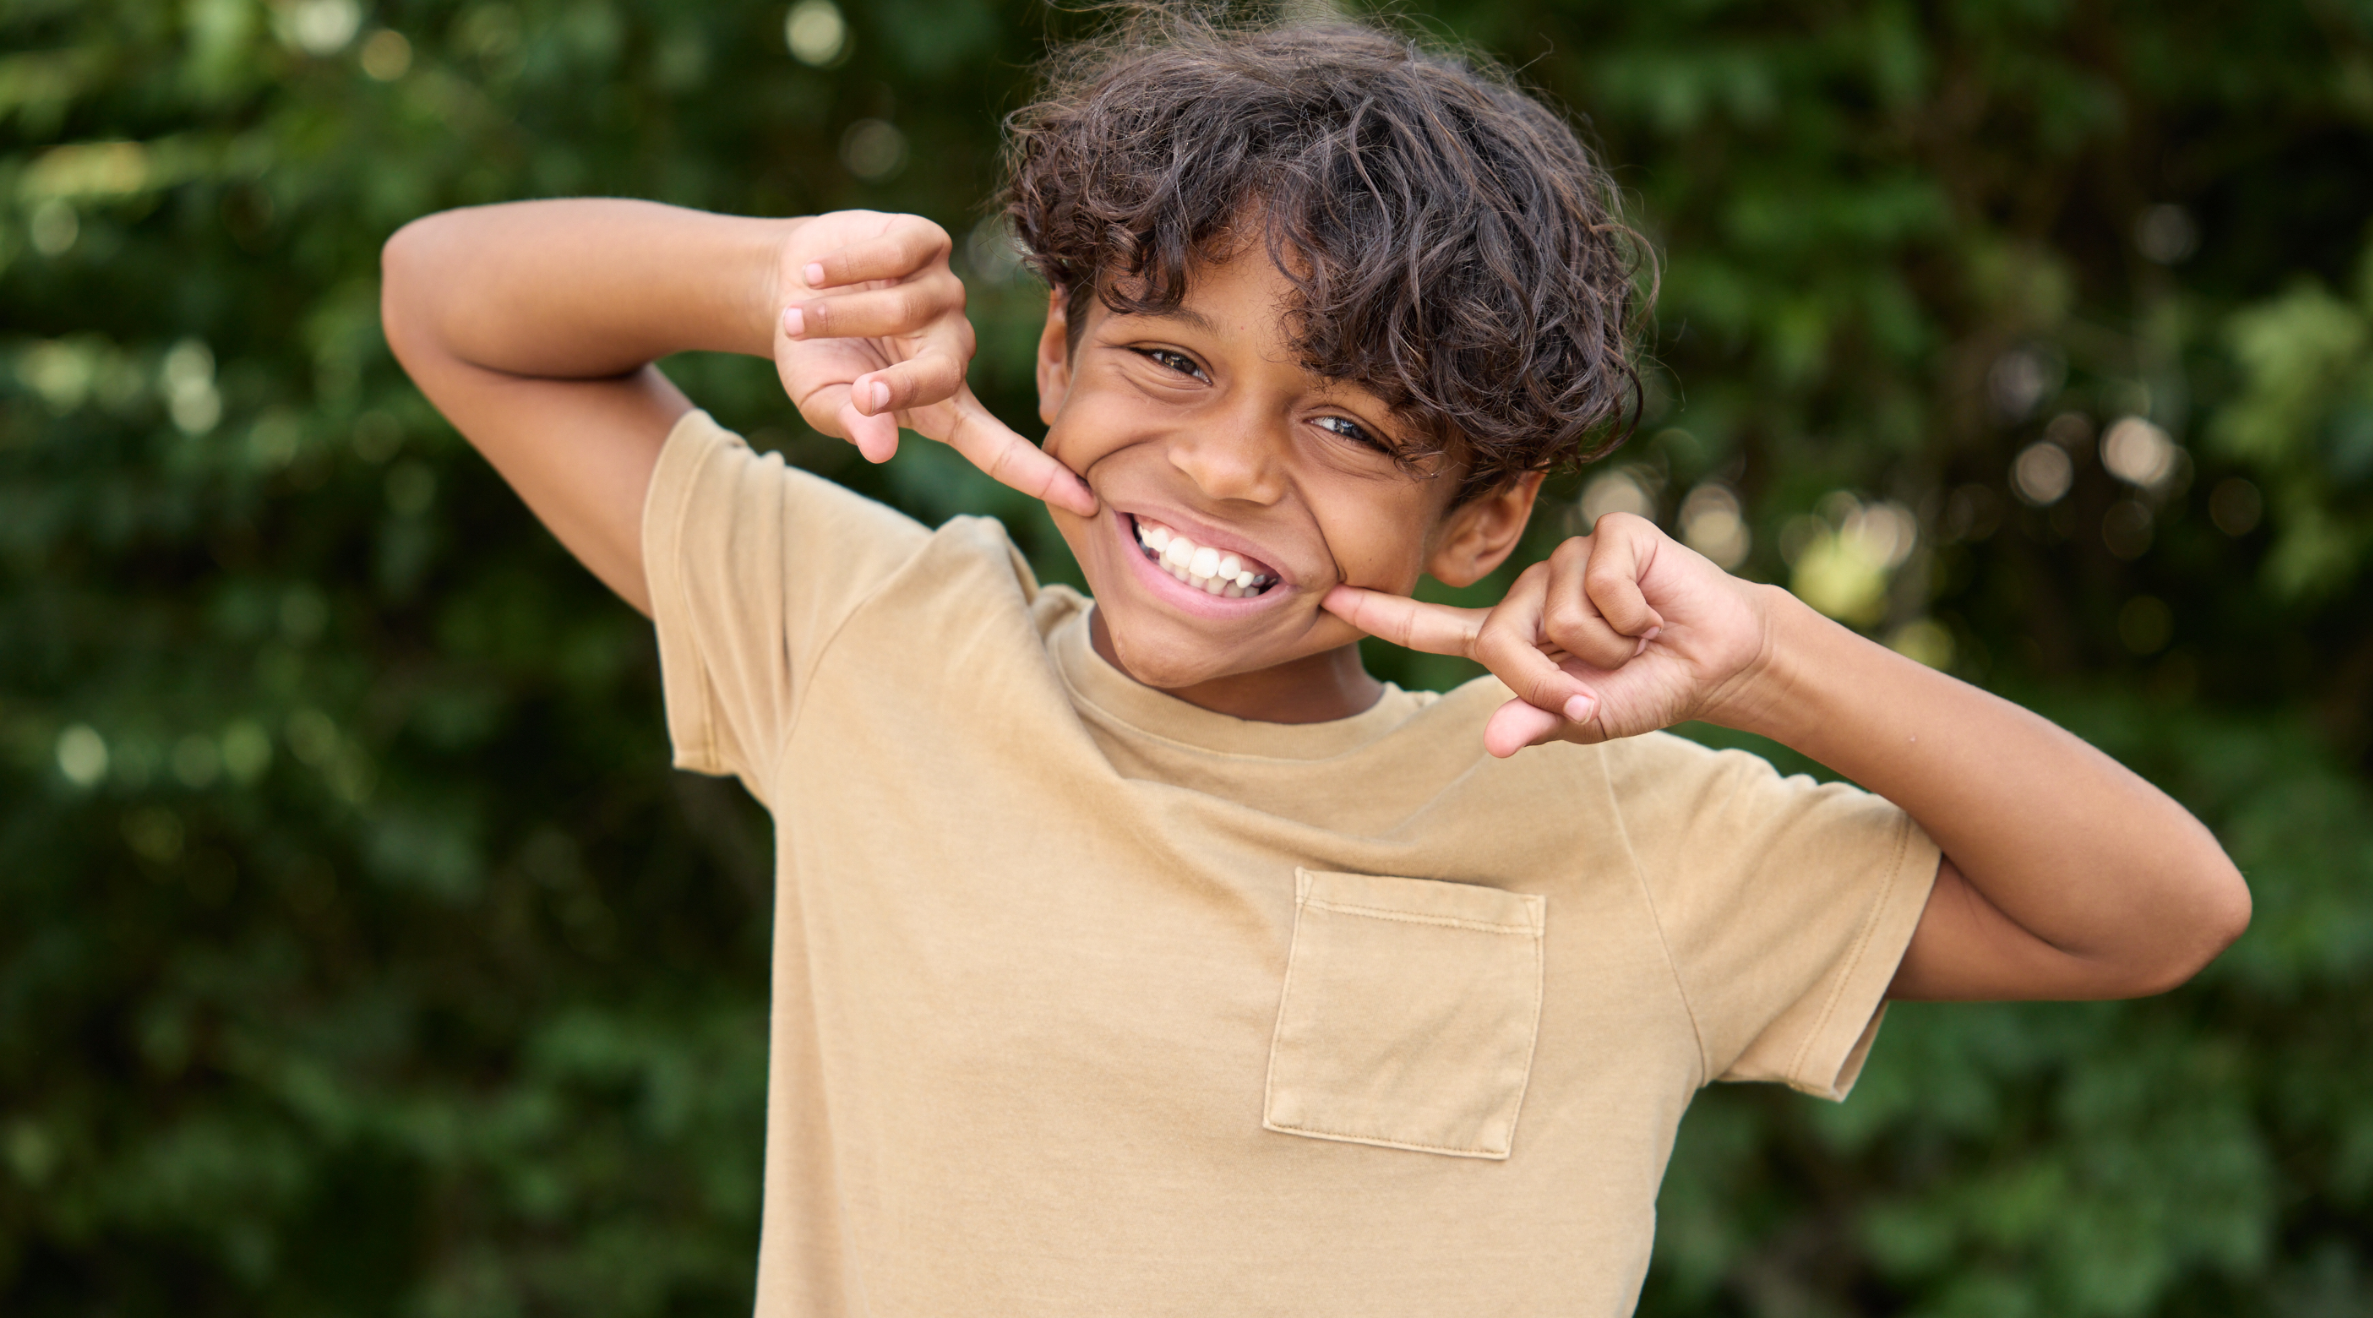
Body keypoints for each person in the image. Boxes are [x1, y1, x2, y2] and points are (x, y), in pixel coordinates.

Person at [380, 11, 2248, 1316]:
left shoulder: (1607, 823)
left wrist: (1770, 657)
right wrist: (768, 282)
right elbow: (450, 302)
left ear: (1487, 515)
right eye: (1170, 362)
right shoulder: (876, 641)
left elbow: (2156, 911)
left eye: (1351, 426)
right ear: (1052, 366)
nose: (1223, 463)